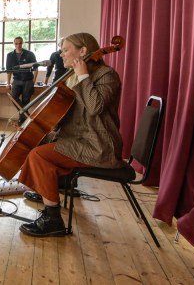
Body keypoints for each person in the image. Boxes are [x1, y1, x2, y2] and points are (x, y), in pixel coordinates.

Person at [17, 32, 123, 238]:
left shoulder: (107, 76)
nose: (61, 54)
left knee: (40, 156)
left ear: (82, 51)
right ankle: (47, 190)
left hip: (98, 145)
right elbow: (66, 113)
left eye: (66, 50)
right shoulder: (71, 76)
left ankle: (53, 219)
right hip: (78, 138)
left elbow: (95, 108)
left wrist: (83, 76)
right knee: (37, 144)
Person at [6, 36, 38, 125]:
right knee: (13, 97)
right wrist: (8, 83)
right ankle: (27, 116)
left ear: (22, 43)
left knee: (25, 101)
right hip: (16, 80)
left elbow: (36, 68)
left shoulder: (30, 54)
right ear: (14, 44)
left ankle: (22, 120)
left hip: (28, 80)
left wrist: (33, 81)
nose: (18, 45)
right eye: (16, 44)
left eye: (20, 43)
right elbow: (9, 71)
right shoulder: (10, 55)